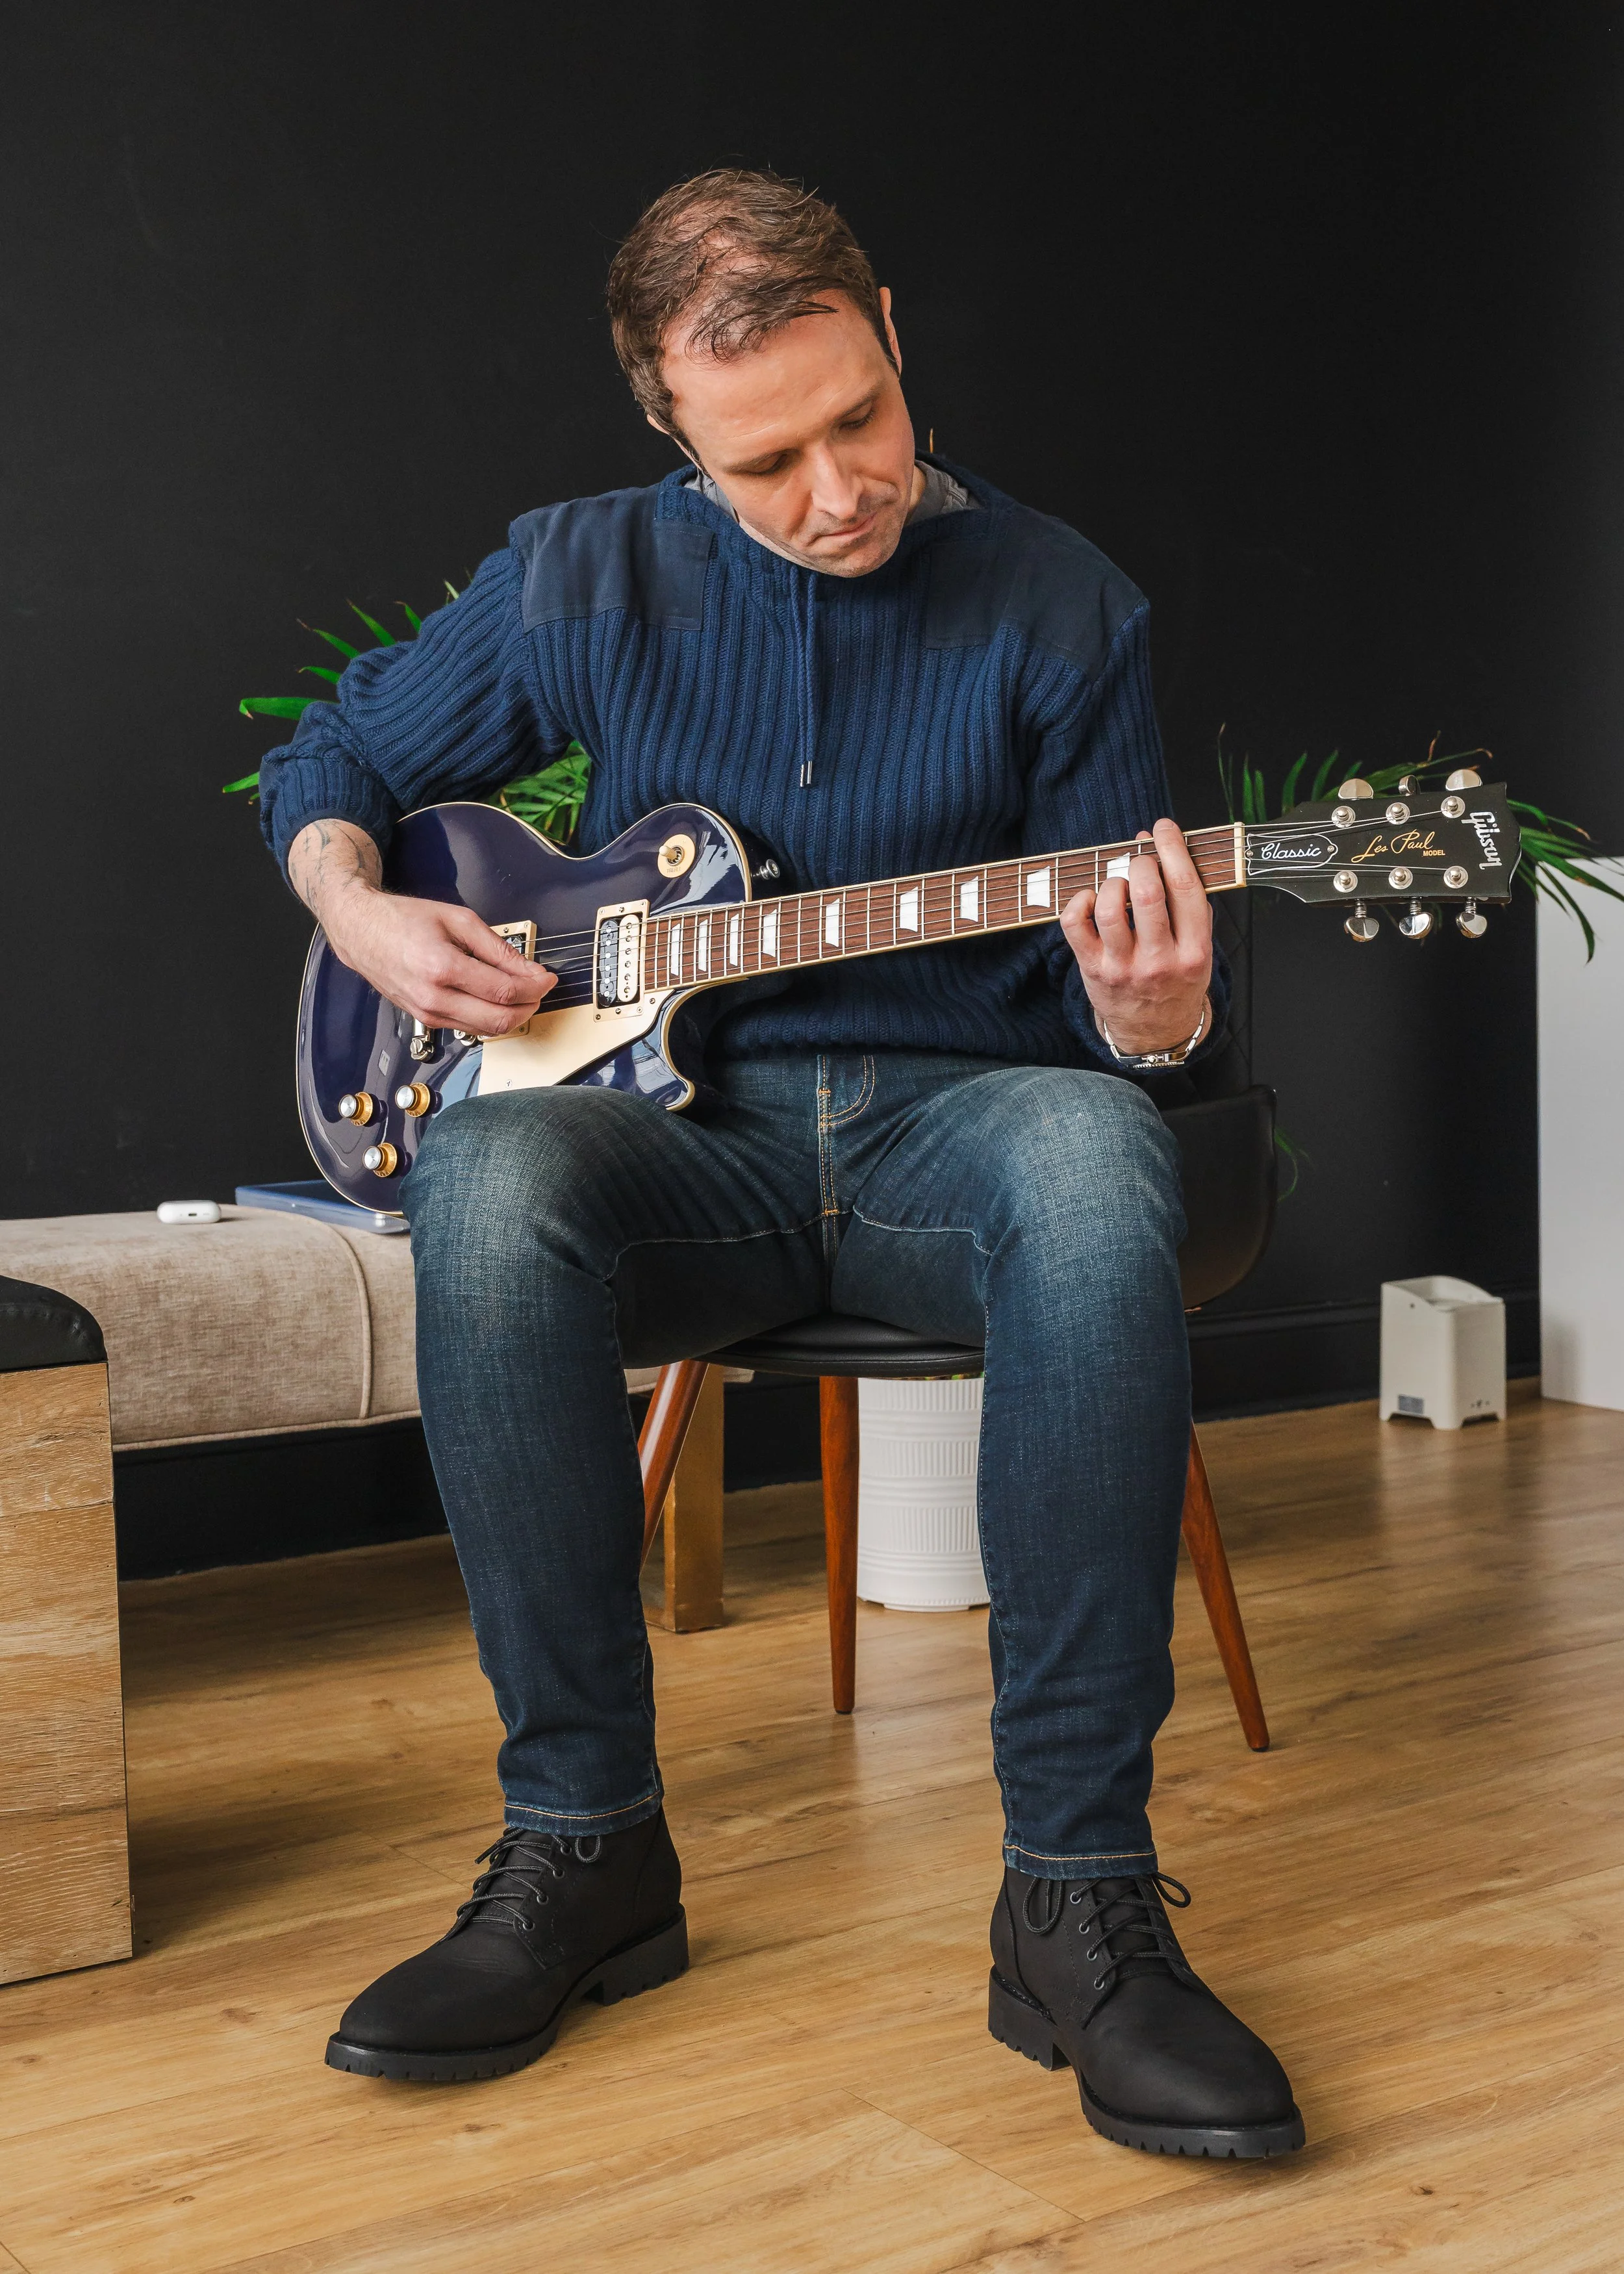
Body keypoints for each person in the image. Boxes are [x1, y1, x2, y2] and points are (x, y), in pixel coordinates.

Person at [258, 170, 1303, 2158]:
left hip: (953, 1131)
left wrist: (1156, 1025)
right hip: (690, 1157)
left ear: (893, 331)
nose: (838, 489)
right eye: (767, 463)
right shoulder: (575, 576)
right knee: (487, 1184)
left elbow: (1127, 1012)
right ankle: (581, 1852)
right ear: (671, 431)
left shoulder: (1063, 603)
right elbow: (336, 764)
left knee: (1098, 1154)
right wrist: (365, 912)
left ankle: (1076, 1903)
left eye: (862, 420)